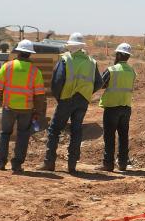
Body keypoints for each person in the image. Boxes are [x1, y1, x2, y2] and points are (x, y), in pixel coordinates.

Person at [40, 32, 102, 174]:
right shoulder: (92, 62)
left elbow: (56, 82)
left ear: (70, 46)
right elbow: (99, 82)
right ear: (81, 47)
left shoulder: (65, 60)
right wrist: (86, 92)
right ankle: (72, 166)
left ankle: (49, 162)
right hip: (82, 101)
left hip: (66, 99)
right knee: (76, 130)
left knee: (54, 130)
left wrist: (60, 98)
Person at [0, 39, 46, 173]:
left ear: (18, 52)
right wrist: (38, 112)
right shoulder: (35, 71)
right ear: (30, 54)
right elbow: (39, 95)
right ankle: (16, 165)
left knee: (5, 133)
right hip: (26, 110)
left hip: (8, 107)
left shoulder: (8, 66)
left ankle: (0, 163)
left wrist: (1, 100)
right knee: (22, 135)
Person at [99, 42, 137, 172]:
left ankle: (108, 164)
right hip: (126, 106)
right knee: (123, 136)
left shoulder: (112, 70)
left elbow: (101, 84)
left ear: (119, 55)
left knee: (109, 136)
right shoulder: (132, 71)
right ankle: (122, 163)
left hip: (112, 107)